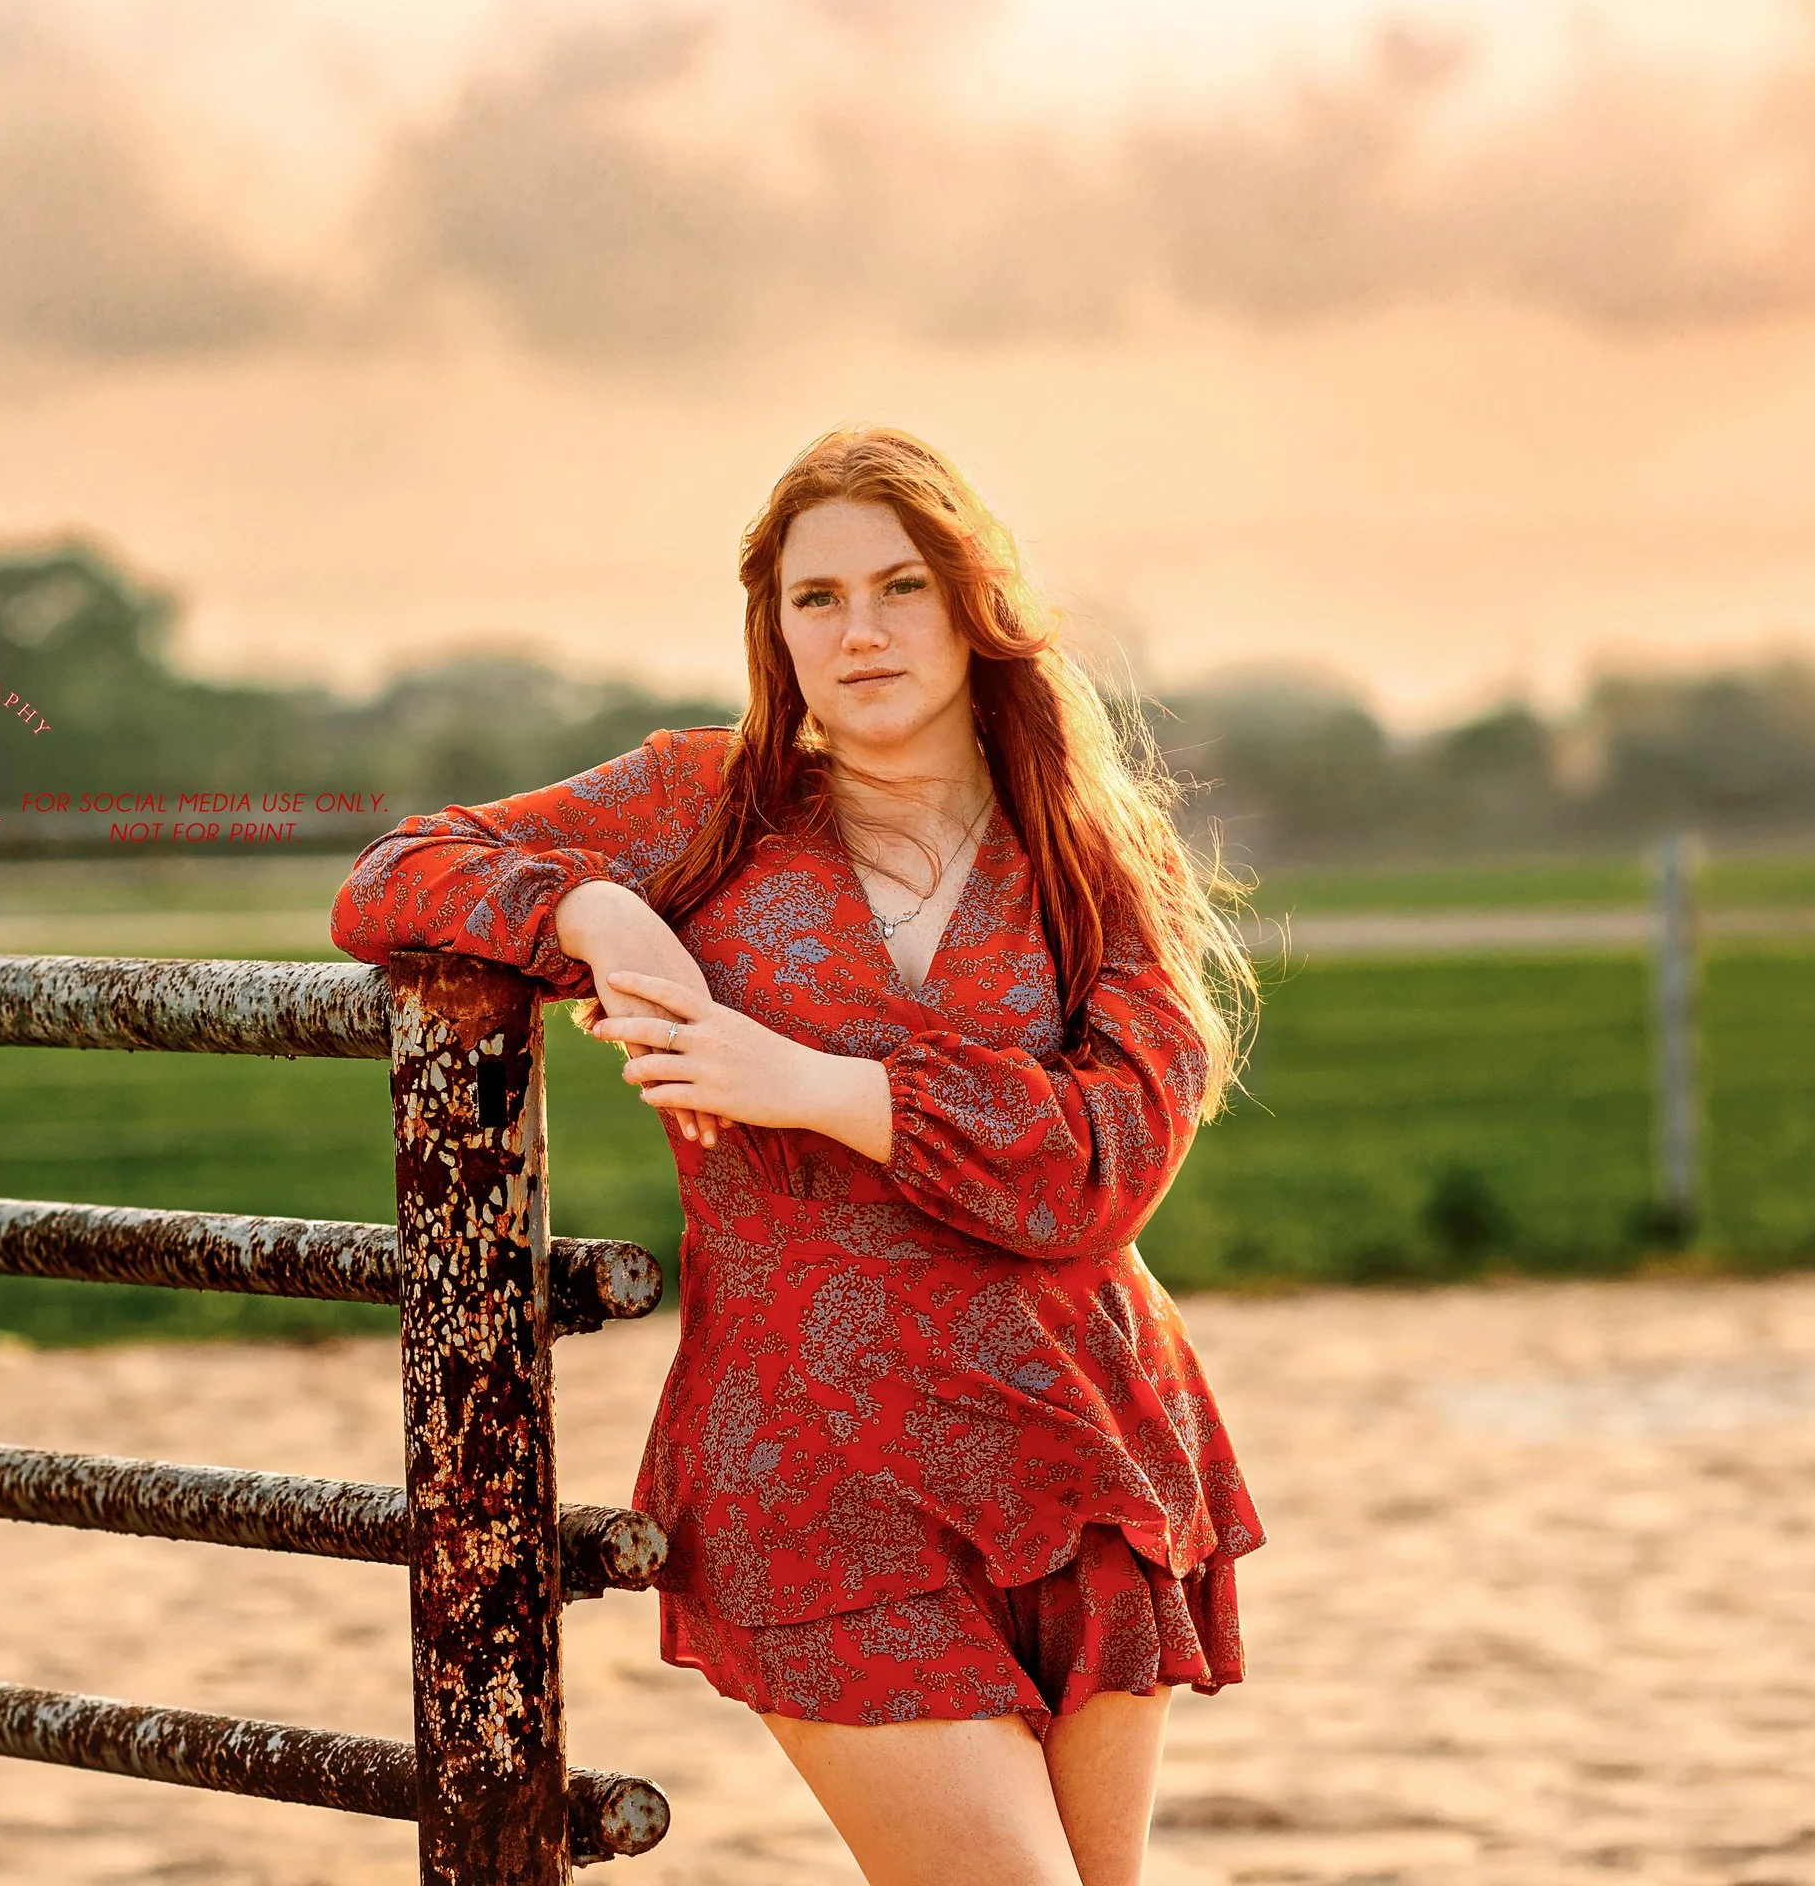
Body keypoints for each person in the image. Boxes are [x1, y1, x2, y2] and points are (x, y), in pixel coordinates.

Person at [330, 427, 1263, 1886]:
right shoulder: (701, 806)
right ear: (773, 627)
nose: (862, 631)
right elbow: (395, 874)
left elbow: (1107, 1164)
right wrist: (591, 914)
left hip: (1082, 1452)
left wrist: (814, 1085)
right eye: (816, 598)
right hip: (813, 1466)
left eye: (902, 587)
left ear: (977, 611)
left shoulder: (1085, 852)